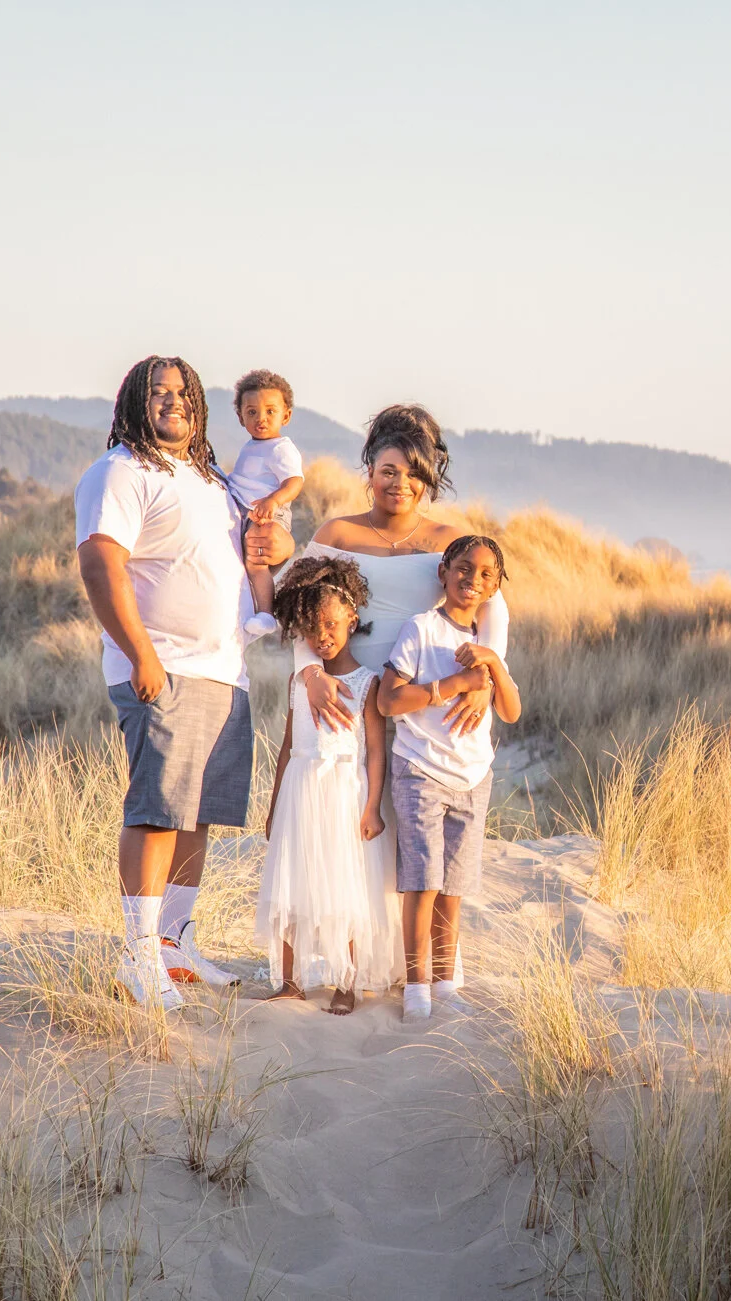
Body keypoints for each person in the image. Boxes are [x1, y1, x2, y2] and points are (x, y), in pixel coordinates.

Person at [242, 405, 509, 997]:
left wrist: (488, 674)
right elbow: (299, 604)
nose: (400, 484)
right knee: (353, 835)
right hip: (345, 697)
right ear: (370, 469)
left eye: (414, 474)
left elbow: (493, 606)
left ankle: (419, 972)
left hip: (421, 712)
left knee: (416, 845)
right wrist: (309, 673)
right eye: (388, 470)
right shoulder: (337, 533)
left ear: (430, 477)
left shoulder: (450, 539)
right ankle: (353, 968)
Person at [76, 355, 272, 1009]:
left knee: (197, 815)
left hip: (223, 670)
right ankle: (136, 956)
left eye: (183, 392)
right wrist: (140, 655)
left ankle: (172, 944)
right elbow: (101, 563)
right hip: (162, 667)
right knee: (158, 810)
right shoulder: (120, 470)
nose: (173, 402)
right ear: (134, 399)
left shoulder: (214, 480)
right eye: (158, 393)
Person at [380, 535, 522, 1022]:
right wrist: (451, 686)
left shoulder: (488, 644)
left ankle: (444, 980)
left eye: (486, 574)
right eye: (464, 568)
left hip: (472, 776)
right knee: (423, 881)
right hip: (420, 768)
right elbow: (388, 702)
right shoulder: (420, 629)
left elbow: (511, 710)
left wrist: (493, 667)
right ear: (443, 572)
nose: (472, 580)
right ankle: (416, 984)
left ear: (496, 586)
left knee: (453, 887)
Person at [254, 554, 396, 1014]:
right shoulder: (302, 680)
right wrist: (274, 804)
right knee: (292, 881)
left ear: (352, 619)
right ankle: (290, 979)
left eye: (332, 625)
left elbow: (376, 751)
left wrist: (373, 805)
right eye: (313, 629)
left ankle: (346, 981)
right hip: (300, 788)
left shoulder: (367, 682)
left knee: (345, 886)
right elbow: (288, 743)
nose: (323, 637)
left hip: (344, 794)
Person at [225, 369, 305, 639]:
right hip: (250, 510)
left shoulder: (281, 447)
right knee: (247, 564)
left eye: (270, 411)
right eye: (252, 412)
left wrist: (273, 500)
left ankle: (266, 615)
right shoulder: (251, 445)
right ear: (240, 417)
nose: (261, 419)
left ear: (286, 415)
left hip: (268, 515)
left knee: (257, 565)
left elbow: (294, 482)